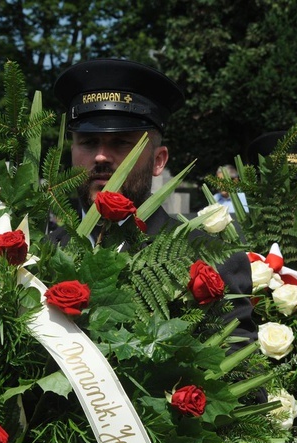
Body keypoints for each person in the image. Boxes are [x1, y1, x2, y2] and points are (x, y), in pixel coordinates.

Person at [51, 58, 256, 347]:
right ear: (72, 151)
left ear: (158, 161)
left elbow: (243, 378)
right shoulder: (41, 252)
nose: (100, 156)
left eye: (120, 143)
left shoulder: (209, 262)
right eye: (88, 142)